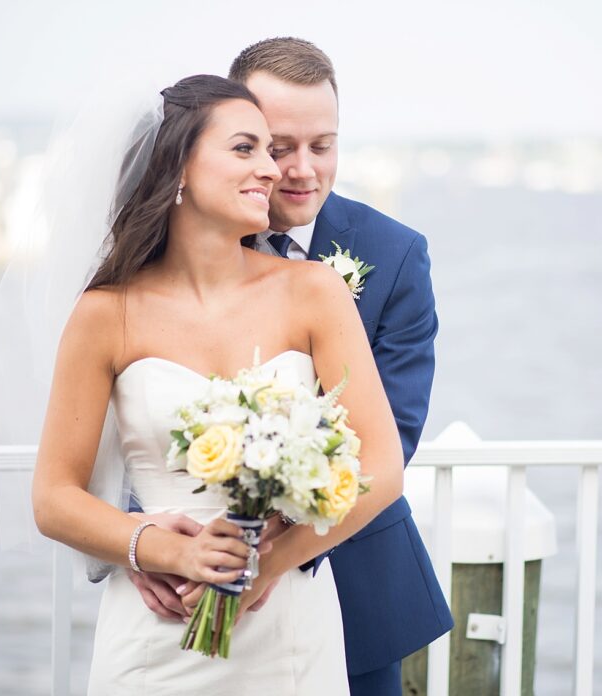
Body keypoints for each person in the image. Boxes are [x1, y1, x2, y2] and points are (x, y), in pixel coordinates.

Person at [29, 74, 405, 694]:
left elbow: (382, 466)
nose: (272, 170)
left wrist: (266, 564)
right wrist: (159, 548)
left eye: (269, 149)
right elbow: (53, 496)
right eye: (246, 149)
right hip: (157, 627)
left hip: (287, 631)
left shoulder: (313, 291)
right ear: (178, 166)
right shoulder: (104, 312)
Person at [124, 39, 454, 696]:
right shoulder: (164, 261)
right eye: (277, 146)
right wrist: (146, 536)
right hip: (185, 583)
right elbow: (136, 412)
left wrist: (269, 548)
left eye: (323, 145)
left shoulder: (393, 255)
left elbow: (392, 436)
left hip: (355, 590)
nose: (302, 169)